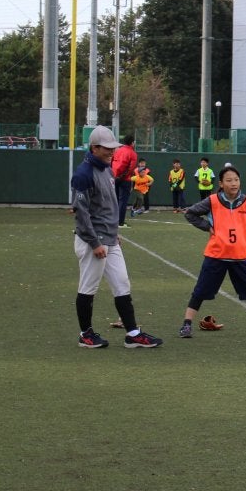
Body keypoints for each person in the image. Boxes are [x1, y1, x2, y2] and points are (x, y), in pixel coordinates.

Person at [71, 126, 163, 349]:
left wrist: (113, 232)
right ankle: (85, 334)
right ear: (94, 148)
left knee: (122, 284)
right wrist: (95, 242)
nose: (111, 152)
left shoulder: (107, 170)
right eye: (107, 148)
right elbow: (81, 212)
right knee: (88, 287)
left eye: (113, 147)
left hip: (109, 239)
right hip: (93, 241)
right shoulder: (83, 174)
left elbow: (107, 206)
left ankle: (132, 334)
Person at [178, 165, 246, 339]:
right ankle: (186, 324)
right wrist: (207, 226)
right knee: (200, 291)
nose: (233, 183)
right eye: (228, 180)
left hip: (240, 257)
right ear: (221, 184)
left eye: (236, 180)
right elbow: (190, 214)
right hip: (216, 255)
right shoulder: (212, 201)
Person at [111, 134, 137, 228]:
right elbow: (131, 168)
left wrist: (114, 175)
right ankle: (120, 222)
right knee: (123, 201)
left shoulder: (117, 150)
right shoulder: (132, 153)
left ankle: (113, 221)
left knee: (115, 200)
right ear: (132, 142)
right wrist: (122, 176)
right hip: (125, 179)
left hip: (114, 177)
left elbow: (112, 161)